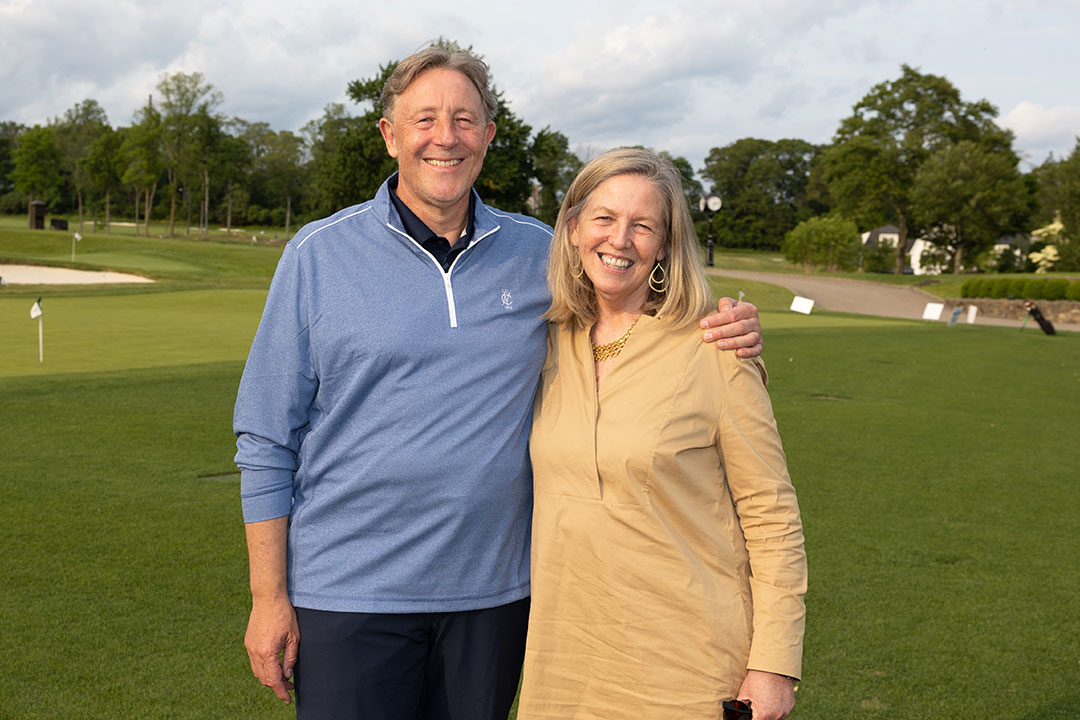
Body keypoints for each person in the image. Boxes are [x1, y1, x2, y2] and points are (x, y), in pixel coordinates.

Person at [234, 45, 764, 720]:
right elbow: (265, 439)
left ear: (487, 135)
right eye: (424, 118)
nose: (445, 136)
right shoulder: (316, 255)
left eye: (464, 118)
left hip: (493, 601)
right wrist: (268, 598)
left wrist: (728, 333)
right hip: (348, 598)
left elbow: (628, 319)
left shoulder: (539, 253)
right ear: (390, 134)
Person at [518, 148, 806, 720]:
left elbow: (772, 514)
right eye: (604, 218)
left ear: (665, 246)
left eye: (642, 225)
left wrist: (774, 662)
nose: (620, 239)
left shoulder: (715, 348)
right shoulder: (544, 341)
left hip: (686, 667)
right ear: (573, 227)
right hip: (564, 662)